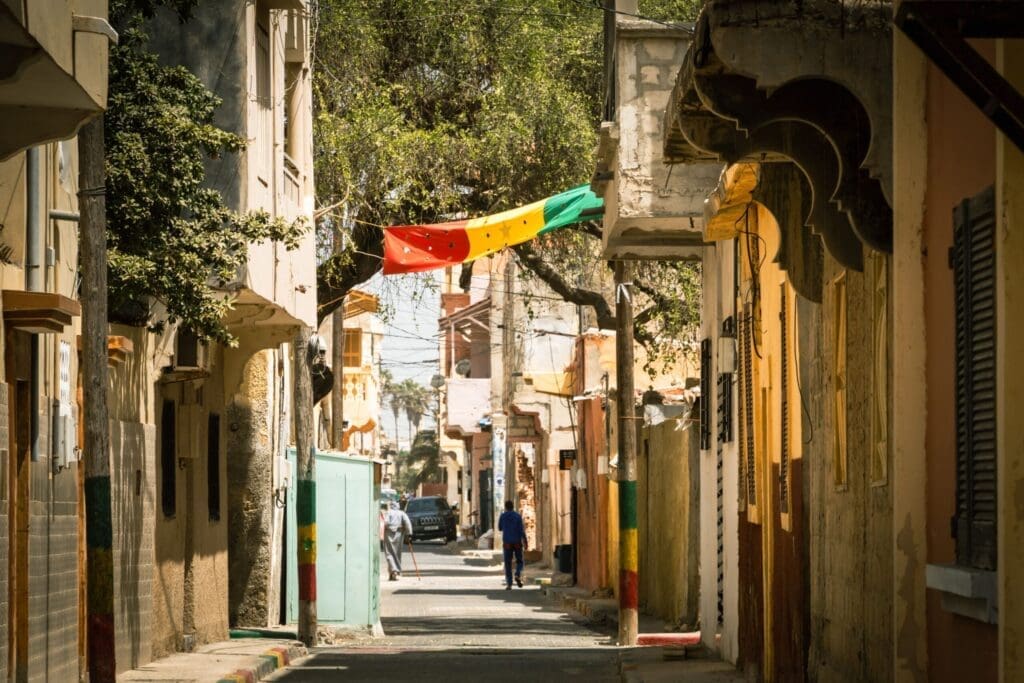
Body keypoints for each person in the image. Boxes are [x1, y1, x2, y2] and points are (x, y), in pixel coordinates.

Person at [498, 500, 527, 589]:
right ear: (513, 506)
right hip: (517, 542)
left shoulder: (503, 516)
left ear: (506, 507)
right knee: (520, 561)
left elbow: (500, 528)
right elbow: (522, 530)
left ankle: (509, 584)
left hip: (507, 542)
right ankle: (517, 573)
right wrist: (525, 541)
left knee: (508, 563)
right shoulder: (518, 516)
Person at [381, 500, 413, 581]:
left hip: (389, 534)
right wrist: (409, 534)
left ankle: (394, 570)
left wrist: (389, 527)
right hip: (399, 534)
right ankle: (394, 572)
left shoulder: (389, 512)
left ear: (391, 506)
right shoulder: (401, 513)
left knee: (389, 553)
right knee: (397, 553)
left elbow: (386, 522)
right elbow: (407, 522)